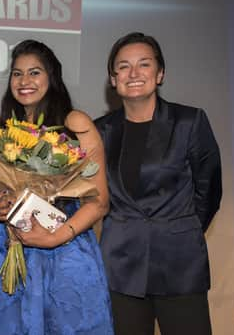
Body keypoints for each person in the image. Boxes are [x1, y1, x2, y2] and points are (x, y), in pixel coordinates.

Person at [0, 39, 113, 334]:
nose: (24, 81)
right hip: (12, 247)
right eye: (17, 73)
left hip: (64, 250)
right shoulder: (5, 130)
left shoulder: (75, 122)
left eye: (35, 72)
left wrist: (55, 238)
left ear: (52, 77)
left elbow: (100, 201)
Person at [95, 32, 222, 335]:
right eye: (123, 67)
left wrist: (179, 229)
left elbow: (210, 190)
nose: (134, 74)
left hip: (179, 264)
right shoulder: (100, 131)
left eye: (144, 64)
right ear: (113, 79)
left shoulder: (190, 122)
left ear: (160, 73)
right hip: (120, 266)